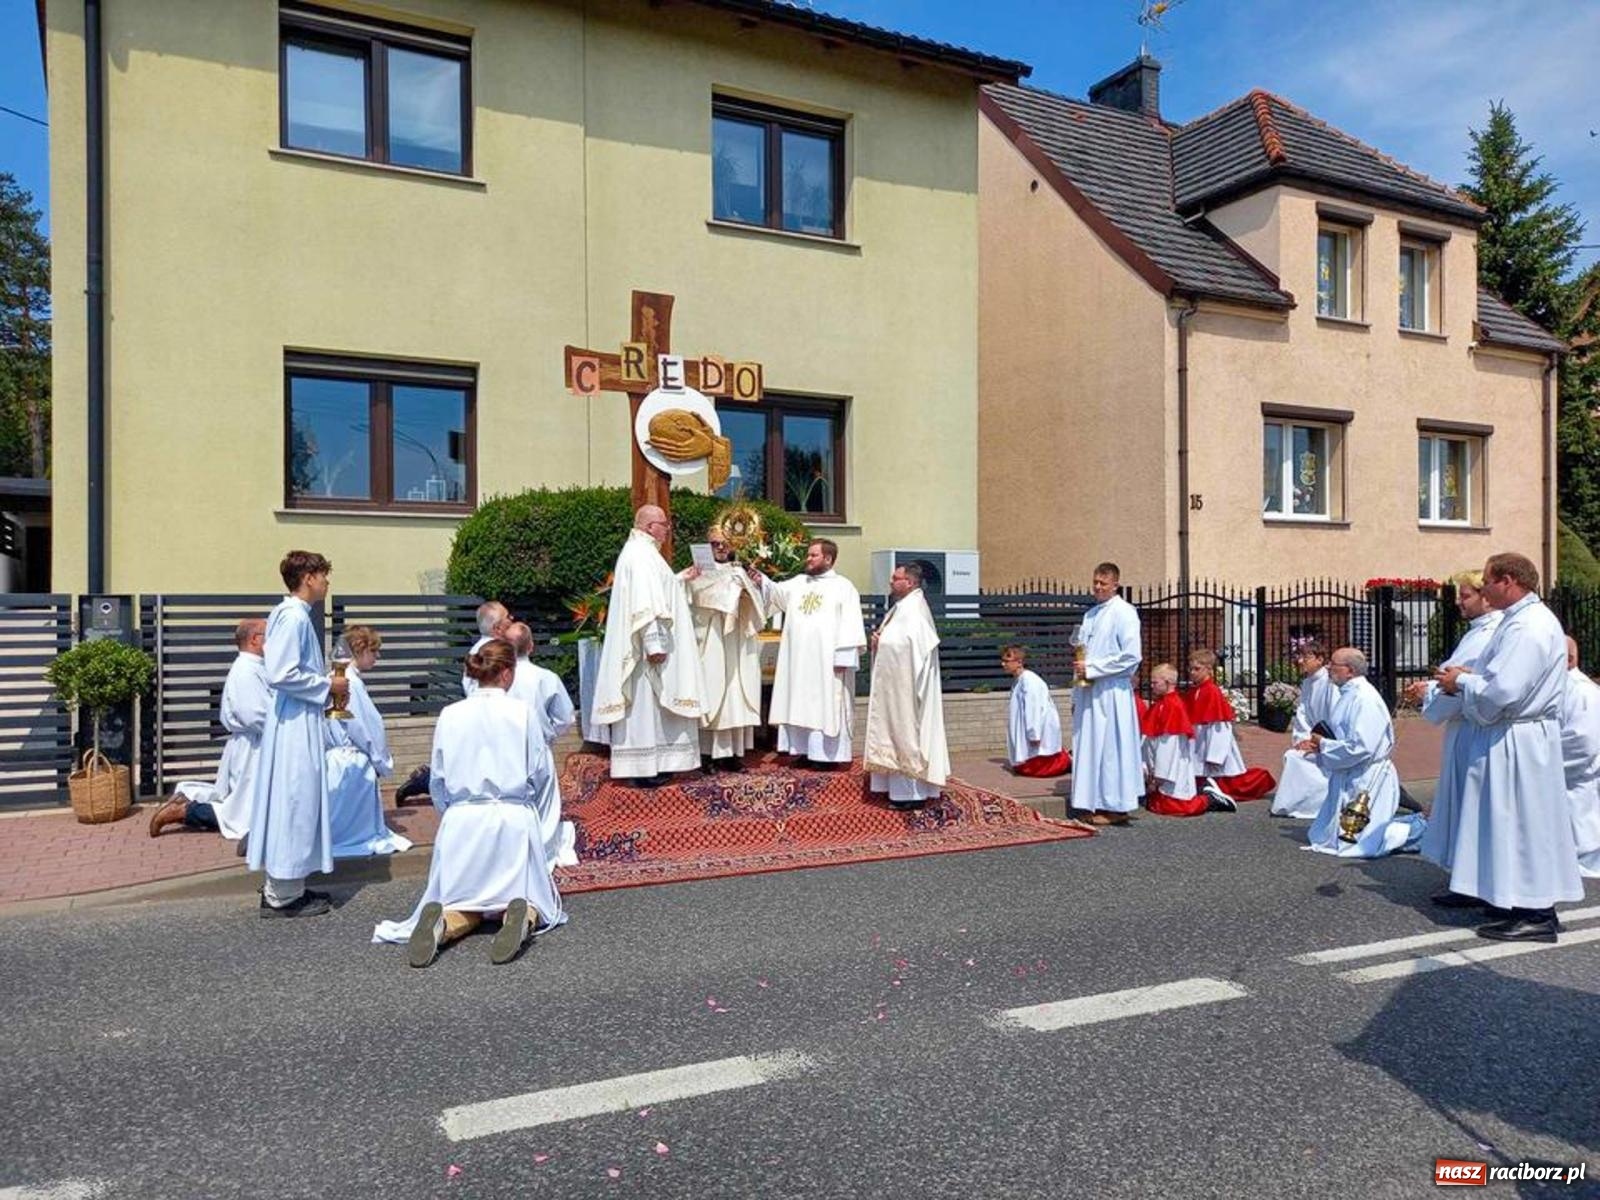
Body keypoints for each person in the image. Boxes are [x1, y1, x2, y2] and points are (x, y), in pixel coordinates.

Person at [372, 639, 565, 967]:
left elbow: (438, 777)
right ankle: (521, 915)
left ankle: (445, 924)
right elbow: (540, 771)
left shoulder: (450, 714)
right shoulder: (523, 712)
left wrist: (451, 813)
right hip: (510, 817)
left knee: (463, 900)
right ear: (507, 673)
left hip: (463, 820)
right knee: (532, 899)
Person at [1434, 553, 1582, 942]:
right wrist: (1471, 676)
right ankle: (1509, 899)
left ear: (1508, 581)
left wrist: (1460, 682)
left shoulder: (1529, 626)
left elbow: (1504, 690)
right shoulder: (1518, 621)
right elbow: (1501, 677)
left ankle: (1537, 913)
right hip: (1512, 734)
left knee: (1522, 822)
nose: (1483, 589)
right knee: (1504, 820)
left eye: (1487, 581)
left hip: (1519, 737)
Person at [246, 550, 346, 918]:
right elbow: (282, 673)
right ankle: (283, 895)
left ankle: (289, 884)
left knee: (295, 800)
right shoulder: (293, 617)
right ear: (308, 578)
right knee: (294, 799)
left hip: (295, 716)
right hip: (294, 722)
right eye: (323, 575)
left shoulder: (290, 614)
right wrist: (328, 685)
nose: (327, 582)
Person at [1405, 572, 1503, 897]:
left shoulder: (1489, 634)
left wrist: (1430, 693)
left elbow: (1469, 683)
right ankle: (1465, 877)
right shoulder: (1477, 632)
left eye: (1465, 596)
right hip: (1464, 729)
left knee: (1468, 804)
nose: (1459, 602)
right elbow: (1454, 676)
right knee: (1461, 802)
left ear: (1485, 597)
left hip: (1474, 729)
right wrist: (1432, 686)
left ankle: (1472, 882)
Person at [591, 505, 704, 784]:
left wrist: (680, 579)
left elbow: (658, 591)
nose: (667, 529)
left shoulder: (642, 552)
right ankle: (644, 769)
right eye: (664, 524)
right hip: (647, 651)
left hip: (648, 644)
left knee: (651, 710)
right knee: (646, 709)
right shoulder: (641, 555)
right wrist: (654, 644)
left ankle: (655, 765)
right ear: (649, 526)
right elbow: (644, 603)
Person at [148, 618, 269, 844]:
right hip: (253, 748)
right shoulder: (246, 671)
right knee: (243, 816)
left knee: (246, 805)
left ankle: (188, 796)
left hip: (256, 745)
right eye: (269, 635)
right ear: (255, 639)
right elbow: (254, 715)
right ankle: (184, 811)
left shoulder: (256, 667)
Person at [752, 538, 867, 768]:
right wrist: (760, 580)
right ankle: (803, 750)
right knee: (800, 704)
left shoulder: (843, 587)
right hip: (799, 661)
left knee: (826, 707)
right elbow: (776, 594)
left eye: (813, 555)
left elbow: (851, 623)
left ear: (828, 558)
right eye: (808, 554)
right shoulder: (798, 582)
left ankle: (827, 757)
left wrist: (844, 657)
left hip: (827, 662)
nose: (808, 559)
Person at [1302, 647, 1425, 858]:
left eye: (1334, 664)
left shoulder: (1364, 698)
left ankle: (1424, 828)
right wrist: (1324, 744)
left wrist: (1324, 745)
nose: (1328, 667)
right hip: (1351, 771)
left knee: (1365, 839)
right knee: (1336, 835)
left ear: (1349, 670)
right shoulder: (1348, 693)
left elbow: (1361, 747)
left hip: (1366, 774)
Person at [864, 563, 950, 808]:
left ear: (909, 582)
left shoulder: (915, 611)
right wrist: (879, 642)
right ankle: (895, 790)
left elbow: (910, 647)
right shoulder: (902, 607)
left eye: (896, 578)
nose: (891, 582)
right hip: (896, 684)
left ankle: (911, 795)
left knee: (906, 732)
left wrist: (883, 642)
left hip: (907, 687)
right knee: (893, 731)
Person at [681, 524, 766, 771]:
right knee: (712, 692)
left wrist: (749, 590)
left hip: (736, 642)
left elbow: (758, 607)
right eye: (714, 543)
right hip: (711, 640)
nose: (720, 547)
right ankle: (707, 754)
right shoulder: (696, 573)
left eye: (724, 543)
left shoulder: (740, 571)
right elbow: (687, 598)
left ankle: (732, 754)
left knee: (735, 695)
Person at [325, 625, 411, 859]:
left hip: (334, 757)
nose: (377, 656)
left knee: (338, 811)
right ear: (359, 650)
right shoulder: (350, 683)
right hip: (352, 759)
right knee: (352, 820)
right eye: (373, 651)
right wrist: (380, 759)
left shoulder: (334, 678)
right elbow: (364, 727)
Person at [1070, 562, 1143, 825]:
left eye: (1103, 583)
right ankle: (1093, 801)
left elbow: (1131, 656)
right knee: (1090, 747)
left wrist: (1094, 668)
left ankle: (1117, 806)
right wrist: (1078, 686)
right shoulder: (1090, 615)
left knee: (1111, 748)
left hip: (1112, 692)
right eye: (1095, 582)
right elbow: (1083, 651)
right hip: (1090, 690)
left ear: (1115, 585)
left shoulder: (1125, 612)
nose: (1098, 587)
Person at [1184, 649, 1276, 804]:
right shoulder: (1194, 691)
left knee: (1228, 782)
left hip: (1210, 743)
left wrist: (1215, 755)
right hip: (1199, 741)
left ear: (1209, 669)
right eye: (1190, 669)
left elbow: (1220, 727)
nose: (1192, 673)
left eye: (1197, 669)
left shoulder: (1212, 692)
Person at [1140, 663, 1222, 816]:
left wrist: (1158, 777)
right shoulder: (1162, 703)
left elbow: (1168, 747)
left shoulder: (1172, 705)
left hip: (1172, 768)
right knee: (1157, 804)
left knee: (1179, 807)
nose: (1151, 686)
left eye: (1155, 682)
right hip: (1162, 769)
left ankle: (1209, 799)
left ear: (1168, 682)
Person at [1270, 640, 1335, 819]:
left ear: (1320, 659)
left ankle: (1314, 803)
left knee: (1296, 758)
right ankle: (1302, 802)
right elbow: (1303, 716)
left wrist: (1317, 742)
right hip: (1313, 738)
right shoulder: (1307, 683)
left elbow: (1333, 716)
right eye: (1299, 656)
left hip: (1328, 741)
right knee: (1294, 755)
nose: (1300, 661)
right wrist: (1303, 739)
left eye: (1306, 657)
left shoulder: (1330, 683)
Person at [1560, 637, 1600, 879]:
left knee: (1581, 833)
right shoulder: (1560, 686)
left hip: (1577, 780)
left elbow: (1583, 743)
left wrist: (1545, 761)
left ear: (1569, 659)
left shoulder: (1583, 691)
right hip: (1563, 781)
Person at [1000, 645, 1070, 777]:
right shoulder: (1019, 680)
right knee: (1025, 764)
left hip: (1037, 729)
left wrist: (1034, 734)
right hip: (1027, 730)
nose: (1003, 664)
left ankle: (1067, 762)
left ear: (1019, 662)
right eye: (1002, 661)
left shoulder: (1029, 681)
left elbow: (1034, 708)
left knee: (1040, 763)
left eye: (1006, 661)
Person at [505, 622, 576, 747]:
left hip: (503, 746)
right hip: (538, 745)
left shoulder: (493, 677)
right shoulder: (548, 677)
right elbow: (565, 718)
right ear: (531, 646)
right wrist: (546, 733)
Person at [461, 600, 511, 696]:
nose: (511, 618)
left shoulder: (475, 651)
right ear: (497, 628)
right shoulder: (498, 652)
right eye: (507, 617)